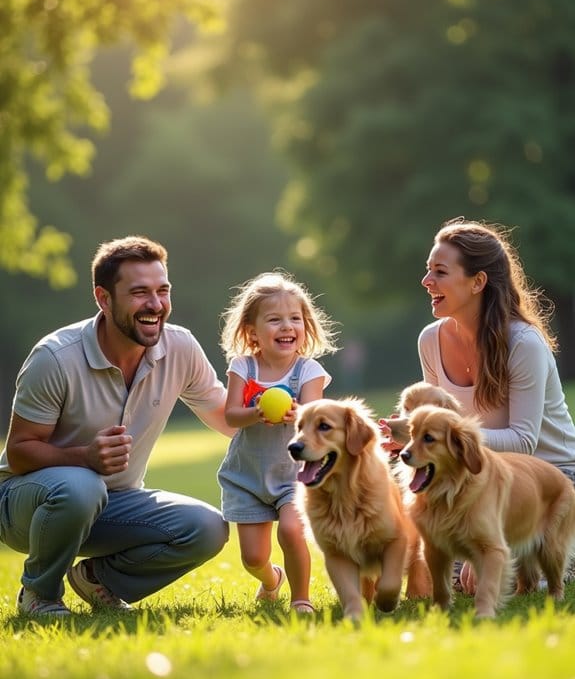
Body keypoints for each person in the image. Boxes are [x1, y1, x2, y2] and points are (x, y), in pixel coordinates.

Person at [0, 236, 234, 617]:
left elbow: (229, 417)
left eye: (163, 291)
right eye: (140, 293)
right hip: (23, 504)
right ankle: (39, 595)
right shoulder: (55, 357)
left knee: (207, 527)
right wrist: (84, 457)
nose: (156, 305)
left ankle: (99, 580)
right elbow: (20, 450)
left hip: (112, 503)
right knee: (82, 485)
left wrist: (318, 431)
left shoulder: (180, 348)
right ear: (104, 299)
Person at [412, 217, 575, 592]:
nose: (427, 281)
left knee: (515, 575)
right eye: (428, 271)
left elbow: (523, 442)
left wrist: (455, 439)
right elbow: (439, 427)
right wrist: (412, 436)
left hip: (549, 484)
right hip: (479, 477)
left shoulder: (524, 344)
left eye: (439, 271)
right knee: (440, 573)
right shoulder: (430, 341)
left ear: (477, 282)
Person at [217, 270, 339, 614]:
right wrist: (256, 412)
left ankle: (301, 598)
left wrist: (297, 414)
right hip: (248, 475)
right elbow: (231, 415)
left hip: (294, 475)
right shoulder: (244, 367)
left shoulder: (309, 371)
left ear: (305, 326)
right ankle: (271, 580)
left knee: (291, 530)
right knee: (252, 557)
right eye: (274, 320)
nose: (287, 327)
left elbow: (314, 414)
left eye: (294, 319)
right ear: (252, 331)